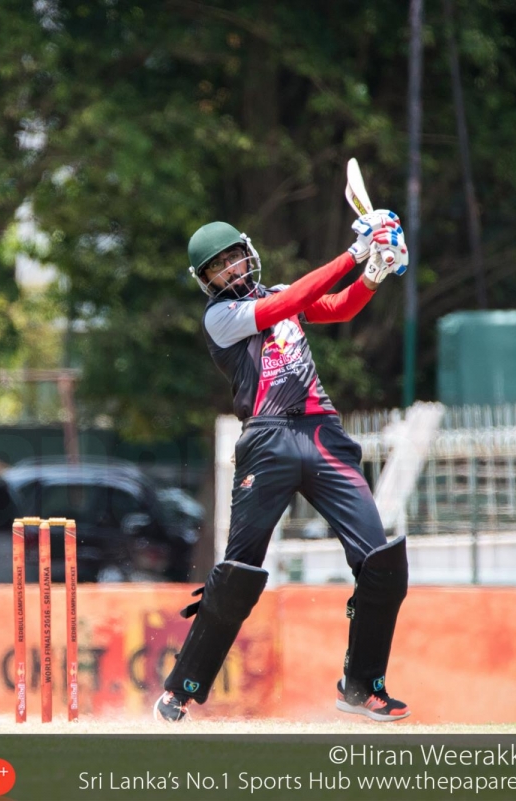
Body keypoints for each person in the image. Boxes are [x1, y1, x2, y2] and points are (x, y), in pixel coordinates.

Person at [153, 211, 412, 723]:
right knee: (238, 574)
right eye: (218, 267)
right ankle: (180, 691)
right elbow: (286, 305)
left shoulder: (277, 292)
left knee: (381, 562)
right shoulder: (220, 318)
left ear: (247, 252)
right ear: (206, 281)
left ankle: (361, 686)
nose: (230, 270)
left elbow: (336, 307)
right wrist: (354, 253)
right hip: (268, 440)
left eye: (233, 258)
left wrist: (374, 273)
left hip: (322, 433)